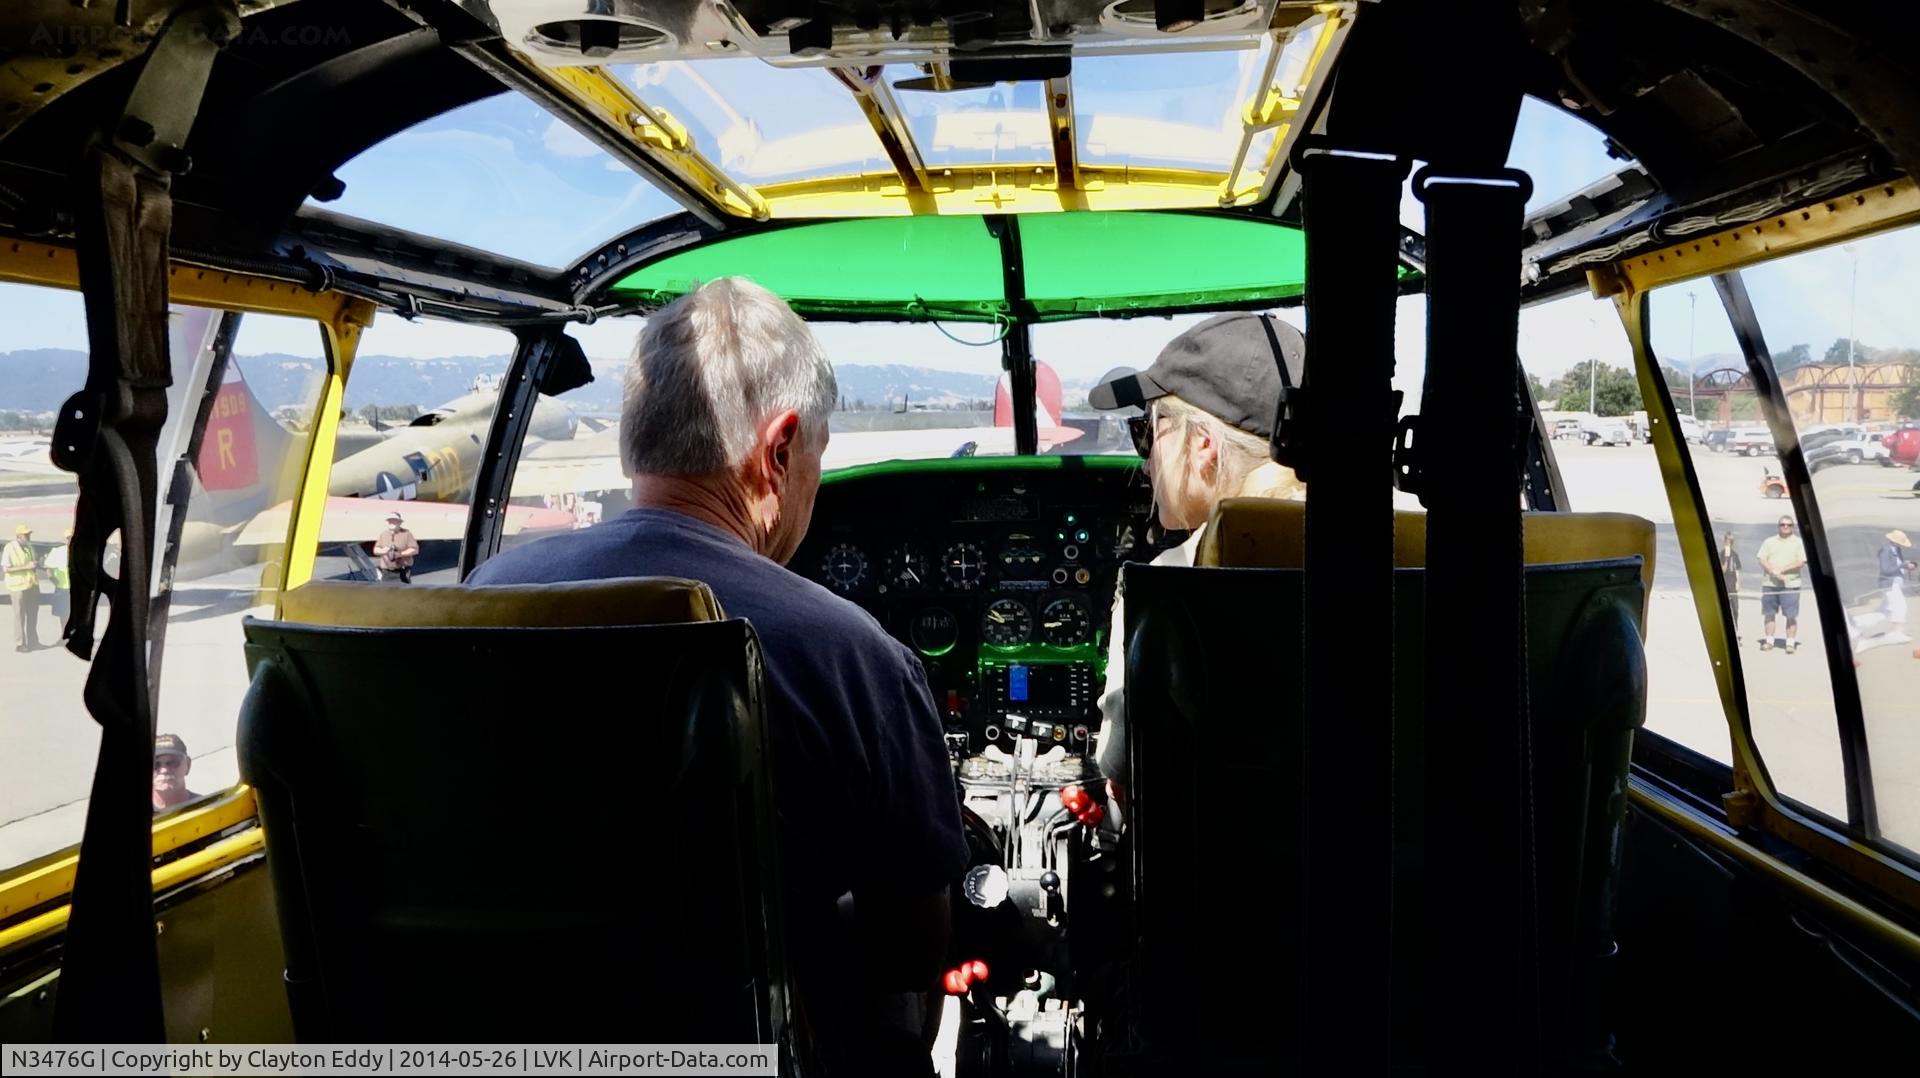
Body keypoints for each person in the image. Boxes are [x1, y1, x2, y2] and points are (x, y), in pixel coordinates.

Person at [467, 277, 967, 1074]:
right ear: (780, 450)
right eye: (817, 456)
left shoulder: (477, 602)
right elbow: (911, 951)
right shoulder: (852, 655)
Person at [1086, 313, 1307, 809]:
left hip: (1226, 874)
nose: (1145, 462)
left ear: (1203, 444)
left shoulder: (1173, 578)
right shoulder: (1409, 539)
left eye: (1149, 430)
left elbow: (1125, 773)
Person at [1757, 515, 1807, 653]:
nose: (1785, 527)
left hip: (1791, 584)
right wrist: (1774, 572)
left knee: (1791, 615)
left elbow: (1801, 562)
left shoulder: (1798, 542)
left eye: (1789, 525)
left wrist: (1782, 570)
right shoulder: (1769, 541)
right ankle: (1769, 641)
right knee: (1769, 613)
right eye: (1783, 524)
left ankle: (1790, 644)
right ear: (1778, 526)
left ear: (1793, 527)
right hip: (1770, 583)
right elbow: (1762, 559)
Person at [5, 523, 40, 652]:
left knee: (33, 614)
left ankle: (33, 641)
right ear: (19, 536)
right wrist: (27, 567)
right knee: (19, 615)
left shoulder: (29, 546)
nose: (28, 536)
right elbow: (6, 569)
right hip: (17, 586)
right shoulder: (10, 548)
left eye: (29, 534)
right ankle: (20, 643)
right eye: (26, 535)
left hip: (31, 584)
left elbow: (32, 562)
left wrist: (36, 563)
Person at [1878, 529, 1915, 643]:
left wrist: (1907, 566)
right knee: (1900, 606)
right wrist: (1902, 565)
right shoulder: (1885, 551)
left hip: (1896, 583)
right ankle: (1897, 632)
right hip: (1890, 583)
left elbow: (1897, 565)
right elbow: (1886, 570)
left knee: (1888, 608)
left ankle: (1894, 631)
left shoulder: (1896, 550)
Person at [152, 733, 200, 812]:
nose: (164, 770)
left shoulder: (206, 808)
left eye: (172, 762)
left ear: (188, 765)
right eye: (155, 764)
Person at [372, 512, 419, 583]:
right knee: (387, 592)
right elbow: (376, 550)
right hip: (387, 572)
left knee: (403, 592)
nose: (392, 522)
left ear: (399, 522)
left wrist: (401, 554)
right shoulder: (384, 534)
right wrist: (384, 551)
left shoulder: (406, 534)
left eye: (394, 520)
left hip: (402, 571)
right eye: (390, 520)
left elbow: (415, 549)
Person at [45, 527, 72, 630]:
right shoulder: (58, 552)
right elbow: (48, 567)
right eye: (70, 538)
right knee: (63, 613)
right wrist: (52, 579)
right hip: (62, 588)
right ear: (67, 539)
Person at [1720, 530, 1743, 640]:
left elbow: (1737, 570)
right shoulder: (1721, 554)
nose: (1730, 543)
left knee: (1735, 609)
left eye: (1732, 541)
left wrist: (1738, 582)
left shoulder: (1735, 555)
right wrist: (1726, 558)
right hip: (1724, 584)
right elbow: (1722, 570)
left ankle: (1736, 630)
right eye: (1728, 540)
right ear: (1725, 541)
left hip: (1733, 585)